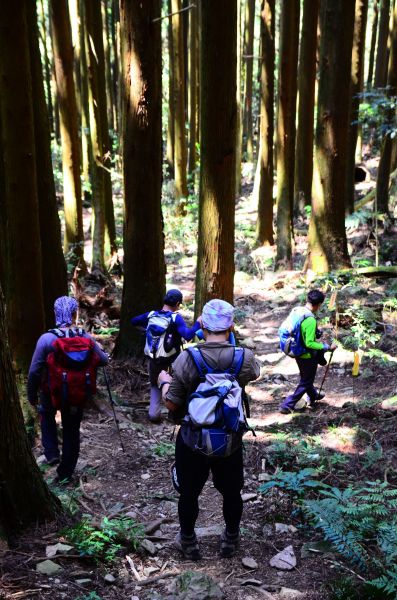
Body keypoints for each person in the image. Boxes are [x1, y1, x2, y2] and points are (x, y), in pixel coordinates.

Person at [158, 299, 260, 560]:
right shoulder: (244, 358)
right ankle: (231, 539)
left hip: (193, 439)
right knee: (232, 492)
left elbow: (172, 403)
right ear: (231, 326)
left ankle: (189, 542)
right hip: (229, 439)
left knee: (189, 493)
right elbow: (253, 374)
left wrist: (163, 382)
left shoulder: (187, 358)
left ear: (202, 324)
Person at [28, 296, 109, 483]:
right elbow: (103, 360)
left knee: (46, 414)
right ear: (74, 313)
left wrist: (31, 395)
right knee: (72, 430)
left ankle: (51, 453)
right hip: (77, 394)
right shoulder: (84, 336)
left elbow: (34, 371)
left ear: (56, 313)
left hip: (51, 391)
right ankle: (65, 472)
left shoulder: (47, 339)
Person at [131, 289, 201, 423]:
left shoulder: (151, 315)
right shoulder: (175, 318)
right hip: (171, 361)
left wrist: (146, 331)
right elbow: (187, 336)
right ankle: (174, 413)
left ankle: (154, 414)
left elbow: (133, 321)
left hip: (153, 360)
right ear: (177, 303)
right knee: (175, 385)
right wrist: (198, 323)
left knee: (154, 385)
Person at [279, 289, 337, 415]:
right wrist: (327, 347)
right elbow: (309, 343)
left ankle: (313, 395)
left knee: (306, 377)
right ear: (319, 304)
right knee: (306, 381)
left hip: (296, 350)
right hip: (306, 355)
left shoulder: (298, 310)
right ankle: (287, 404)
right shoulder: (310, 320)